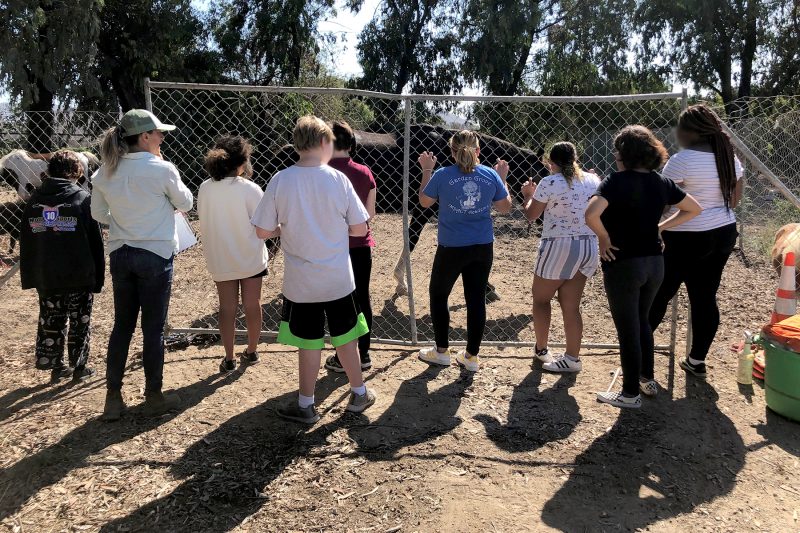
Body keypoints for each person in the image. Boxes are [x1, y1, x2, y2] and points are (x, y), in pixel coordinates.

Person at [251, 115, 376, 424]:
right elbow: (360, 230)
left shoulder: (281, 179)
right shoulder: (338, 179)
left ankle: (306, 404)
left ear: (297, 145)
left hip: (301, 283)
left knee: (308, 342)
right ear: (324, 143)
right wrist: (330, 230)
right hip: (337, 279)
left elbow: (262, 232)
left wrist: (291, 229)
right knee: (345, 337)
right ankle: (359, 394)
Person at [585, 125, 701, 408]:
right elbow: (694, 209)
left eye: (617, 150)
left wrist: (603, 238)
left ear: (625, 153)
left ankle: (629, 394)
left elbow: (591, 214)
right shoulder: (661, 182)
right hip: (655, 264)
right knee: (643, 323)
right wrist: (660, 228)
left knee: (628, 329)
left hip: (624, 264)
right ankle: (646, 378)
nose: (615, 155)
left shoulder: (615, 181)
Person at [91, 109, 193, 421]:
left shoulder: (105, 172)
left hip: (121, 253)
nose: (163, 136)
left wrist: (123, 221)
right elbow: (187, 202)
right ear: (145, 136)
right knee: (152, 328)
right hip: (155, 254)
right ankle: (154, 395)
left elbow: (98, 214)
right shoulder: (162, 169)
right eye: (158, 132)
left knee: (122, 325)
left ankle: (112, 397)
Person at [649, 105, 744, 378]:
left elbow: (662, 203)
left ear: (691, 132)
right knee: (704, 297)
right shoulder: (729, 158)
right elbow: (734, 201)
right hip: (723, 231)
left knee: (659, 295)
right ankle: (696, 360)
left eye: (680, 127)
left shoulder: (682, 160)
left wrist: (658, 225)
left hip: (684, 237)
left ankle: (639, 357)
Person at [416, 130, 513, 372]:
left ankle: (441, 352)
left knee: (439, 295)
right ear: (478, 151)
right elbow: (505, 207)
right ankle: (471, 357)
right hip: (482, 247)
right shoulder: (490, 175)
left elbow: (425, 202)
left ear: (452, 151)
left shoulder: (442, 175)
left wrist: (427, 169)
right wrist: (502, 178)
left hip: (451, 247)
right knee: (476, 299)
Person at [19, 150, 105, 383]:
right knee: (80, 319)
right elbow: (96, 241)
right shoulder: (81, 198)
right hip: (78, 273)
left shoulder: (34, 200)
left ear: (49, 171)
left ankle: (55, 365)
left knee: (52, 316)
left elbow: (26, 239)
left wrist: (32, 275)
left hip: (46, 274)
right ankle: (79, 366)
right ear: (77, 171)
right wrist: (98, 277)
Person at [520, 142, 601, 373]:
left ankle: (542, 349)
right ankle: (572, 358)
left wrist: (528, 195)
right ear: (575, 159)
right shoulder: (593, 180)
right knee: (571, 306)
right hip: (588, 245)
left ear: (550, 161)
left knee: (541, 299)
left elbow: (531, 215)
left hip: (559, 244)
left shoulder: (549, 182)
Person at [198, 136, 268, 374]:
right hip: (250, 258)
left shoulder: (205, 188)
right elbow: (264, 227)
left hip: (220, 259)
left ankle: (228, 357)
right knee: (252, 304)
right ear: (242, 163)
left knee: (226, 308)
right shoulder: (250, 189)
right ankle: (251, 350)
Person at [324, 121, 377, 373]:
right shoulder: (365, 172)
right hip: (360, 245)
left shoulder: (321, 171)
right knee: (362, 298)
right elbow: (370, 213)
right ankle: (364, 354)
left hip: (331, 247)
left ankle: (342, 356)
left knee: (338, 301)